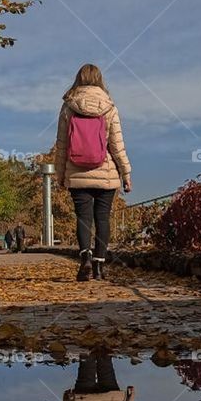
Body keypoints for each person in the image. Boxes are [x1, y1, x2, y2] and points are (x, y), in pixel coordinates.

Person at [54, 64, 131, 282]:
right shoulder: (110, 107)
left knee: (84, 218)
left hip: (77, 173)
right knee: (103, 219)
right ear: (100, 80)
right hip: (105, 173)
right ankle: (99, 266)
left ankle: (85, 257)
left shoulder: (68, 106)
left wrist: (60, 176)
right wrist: (126, 173)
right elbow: (117, 146)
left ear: (78, 79)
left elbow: (61, 145)